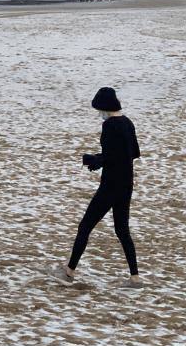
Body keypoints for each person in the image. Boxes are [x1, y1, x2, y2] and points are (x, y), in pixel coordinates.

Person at [51, 87, 142, 288]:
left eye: (99, 110)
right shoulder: (128, 123)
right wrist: (101, 159)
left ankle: (68, 272)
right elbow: (133, 153)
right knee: (122, 230)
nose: (99, 114)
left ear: (105, 107)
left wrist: (95, 160)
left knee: (85, 226)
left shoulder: (110, 126)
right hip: (127, 184)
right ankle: (135, 278)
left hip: (110, 185)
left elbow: (111, 157)